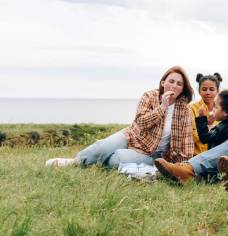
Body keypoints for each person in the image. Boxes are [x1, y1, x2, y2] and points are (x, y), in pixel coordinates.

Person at [45, 66, 195, 168]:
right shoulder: (149, 96)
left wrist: (180, 167)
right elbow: (141, 123)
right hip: (132, 136)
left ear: (182, 89)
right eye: (171, 81)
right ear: (163, 83)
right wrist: (162, 107)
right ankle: (75, 162)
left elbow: (187, 143)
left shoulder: (184, 111)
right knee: (102, 146)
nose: (174, 85)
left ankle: (93, 163)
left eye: (179, 84)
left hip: (151, 153)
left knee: (118, 158)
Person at [156, 88, 228, 179]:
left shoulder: (225, 127)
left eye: (216, 107)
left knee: (204, 173)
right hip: (224, 165)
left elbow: (205, 138)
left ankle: (184, 171)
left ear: (226, 112)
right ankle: (183, 171)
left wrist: (201, 119)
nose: (213, 109)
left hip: (218, 167)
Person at [190, 73, 222, 155]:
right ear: (199, 91)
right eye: (204, 89)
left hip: (217, 155)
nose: (208, 92)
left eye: (211, 89)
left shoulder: (222, 110)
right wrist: (207, 125)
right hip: (196, 155)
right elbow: (191, 136)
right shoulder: (192, 109)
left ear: (217, 91)